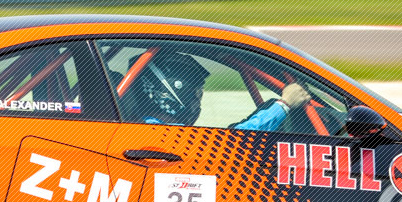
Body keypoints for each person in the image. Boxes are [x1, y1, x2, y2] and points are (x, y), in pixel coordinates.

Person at [122, 49, 312, 131]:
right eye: (196, 94)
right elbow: (235, 142)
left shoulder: (141, 125)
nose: (198, 102)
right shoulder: (162, 132)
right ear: (173, 94)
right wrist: (284, 105)